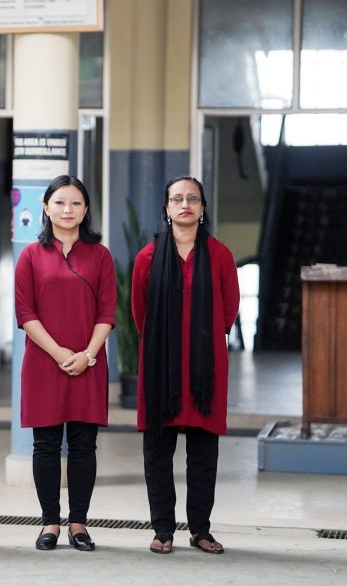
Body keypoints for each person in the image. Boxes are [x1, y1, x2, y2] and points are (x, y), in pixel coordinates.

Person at [131, 176, 239, 555]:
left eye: (192, 198)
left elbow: (230, 307)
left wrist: (202, 342)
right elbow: (139, 311)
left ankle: (201, 530)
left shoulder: (221, 255)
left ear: (203, 208)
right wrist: (167, 347)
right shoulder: (147, 256)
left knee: (203, 455)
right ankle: (163, 530)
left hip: (205, 370)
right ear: (167, 208)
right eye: (177, 198)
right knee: (157, 454)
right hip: (161, 370)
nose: (185, 204)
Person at [14, 175, 116, 552]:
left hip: (89, 362)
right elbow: (25, 313)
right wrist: (59, 354)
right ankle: (49, 523)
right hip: (45, 362)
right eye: (59, 202)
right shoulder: (30, 256)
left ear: (86, 209)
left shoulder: (100, 255)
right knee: (45, 445)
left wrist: (88, 354)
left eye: (75, 203)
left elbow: (108, 311)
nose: (67, 210)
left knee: (83, 445)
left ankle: (79, 523)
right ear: (45, 207)